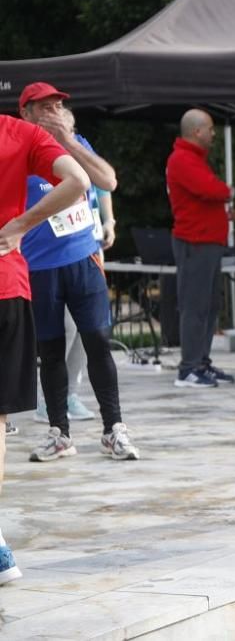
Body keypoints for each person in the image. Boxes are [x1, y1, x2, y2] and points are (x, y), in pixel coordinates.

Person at [19, 82, 140, 463]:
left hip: (83, 259)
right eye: (45, 106)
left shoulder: (77, 143)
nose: (54, 111)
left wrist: (67, 141)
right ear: (26, 113)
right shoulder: (17, 150)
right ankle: (59, 433)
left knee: (98, 343)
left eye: (58, 104)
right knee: (50, 351)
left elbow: (107, 181)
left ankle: (114, 429)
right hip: (40, 265)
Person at [0, 110, 91, 583]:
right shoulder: (20, 134)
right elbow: (79, 181)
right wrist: (20, 224)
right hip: (6, 285)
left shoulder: (23, 133)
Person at [35, 108, 115, 424]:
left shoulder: (80, 145)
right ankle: (52, 399)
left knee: (90, 331)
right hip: (53, 252)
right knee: (62, 329)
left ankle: (70, 393)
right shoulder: (42, 153)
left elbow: (104, 184)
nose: (63, 130)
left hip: (90, 245)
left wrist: (109, 221)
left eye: (67, 124)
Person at [166, 108, 235, 388]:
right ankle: (188, 368)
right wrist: (228, 191)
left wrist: (222, 213)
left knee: (208, 306)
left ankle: (200, 362)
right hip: (195, 242)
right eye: (209, 128)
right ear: (196, 131)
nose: (213, 133)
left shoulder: (193, 159)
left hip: (205, 241)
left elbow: (202, 197)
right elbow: (210, 189)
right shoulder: (183, 159)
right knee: (195, 307)